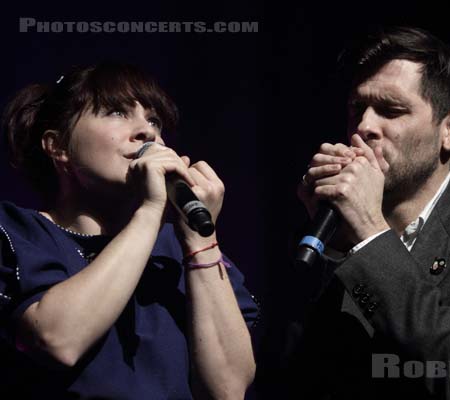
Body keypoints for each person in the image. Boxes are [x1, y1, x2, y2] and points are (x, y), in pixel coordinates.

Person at [287, 26, 450, 399]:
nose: (364, 127)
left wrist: (369, 231)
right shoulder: (331, 225)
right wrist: (335, 248)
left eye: (390, 110)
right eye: (356, 108)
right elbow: (287, 369)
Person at [0, 62, 259, 399]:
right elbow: (58, 340)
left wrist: (200, 240)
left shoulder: (180, 250)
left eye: (154, 120)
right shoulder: (18, 232)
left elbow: (228, 389)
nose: (147, 132)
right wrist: (150, 210)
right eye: (117, 112)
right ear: (58, 147)